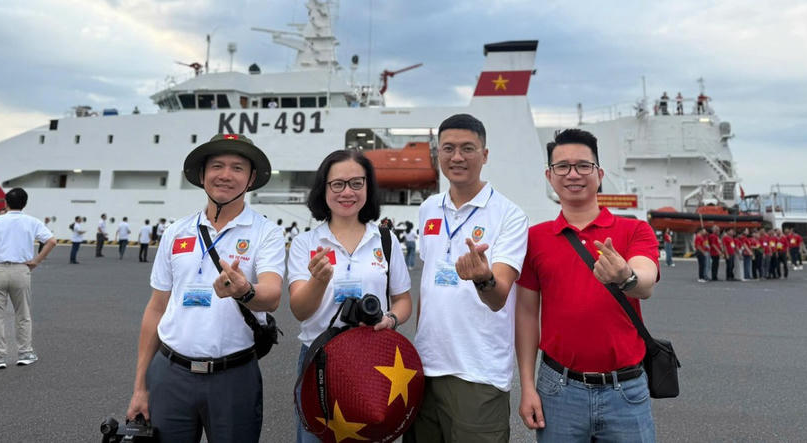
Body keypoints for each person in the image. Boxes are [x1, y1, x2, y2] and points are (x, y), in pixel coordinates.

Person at [125, 134, 285, 441]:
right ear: (202, 175)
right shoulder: (176, 231)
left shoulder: (266, 233)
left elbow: (272, 295)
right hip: (170, 373)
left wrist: (244, 290)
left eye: (237, 168)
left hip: (234, 377)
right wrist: (140, 387)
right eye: (217, 166)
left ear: (251, 179)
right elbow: (156, 308)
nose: (226, 175)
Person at [515, 128, 660, 441]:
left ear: (599, 174)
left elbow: (645, 281)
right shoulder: (535, 239)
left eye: (583, 165)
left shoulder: (635, 230)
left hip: (626, 389)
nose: (573, 174)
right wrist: (527, 386)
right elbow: (526, 314)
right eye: (562, 166)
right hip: (559, 389)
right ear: (549, 176)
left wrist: (626, 276)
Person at [404, 114, 529, 443]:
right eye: (448, 148)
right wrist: (418, 348)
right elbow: (428, 286)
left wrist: (483, 278)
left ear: (484, 155)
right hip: (425, 367)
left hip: (478, 371)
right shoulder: (429, 209)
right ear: (438, 154)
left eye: (467, 148)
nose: (457, 157)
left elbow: (499, 297)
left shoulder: (509, 215)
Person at [288, 149, 413, 443]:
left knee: (370, 435)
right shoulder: (306, 243)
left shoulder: (385, 240)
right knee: (316, 436)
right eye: (338, 184)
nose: (347, 192)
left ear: (368, 187)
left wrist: (391, 319)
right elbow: (300, 310)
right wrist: (318, 281)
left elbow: (403, 300)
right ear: (324, 189)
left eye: (357, 183)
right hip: (320, 357)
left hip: (372, 356)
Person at [0, 188, 56, 369]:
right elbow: (51, 241)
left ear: (6, 203)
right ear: (25, 204)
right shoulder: (32, 222)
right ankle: (25, 353)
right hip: (21, 270)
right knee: (23, 314)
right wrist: (36, 261)